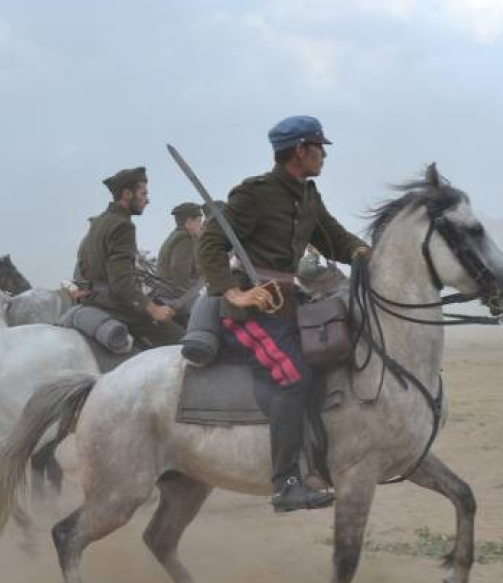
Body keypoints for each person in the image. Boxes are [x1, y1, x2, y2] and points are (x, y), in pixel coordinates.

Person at [198, 115, 371, 513]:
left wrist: (365, 252)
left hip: (289, 305)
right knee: (292, 376)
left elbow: (333, 236)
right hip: (251, 313)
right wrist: (234, 293)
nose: (324, 154)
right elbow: (209, 243)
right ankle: (286, 484)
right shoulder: (254, 194)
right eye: (319, 146)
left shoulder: (308, 195)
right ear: (299, 150)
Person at [76, 166, 185, 348]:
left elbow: (83, 265)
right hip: (117, 307)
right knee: (187, 342)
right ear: (127, 194)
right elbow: (121, 282)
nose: (147, 200)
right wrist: (153, 309)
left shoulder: (99, 222)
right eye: (143, 194)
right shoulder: (123, 226)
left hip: (93, 300)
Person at [158, 202, 203, 296]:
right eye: (199, 221)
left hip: (166, 292)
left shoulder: (174, 236)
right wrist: (191, 296)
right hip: (175, 296)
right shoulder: (185, 239)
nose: (201, 225)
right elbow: (179, 270)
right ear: (189, 221)